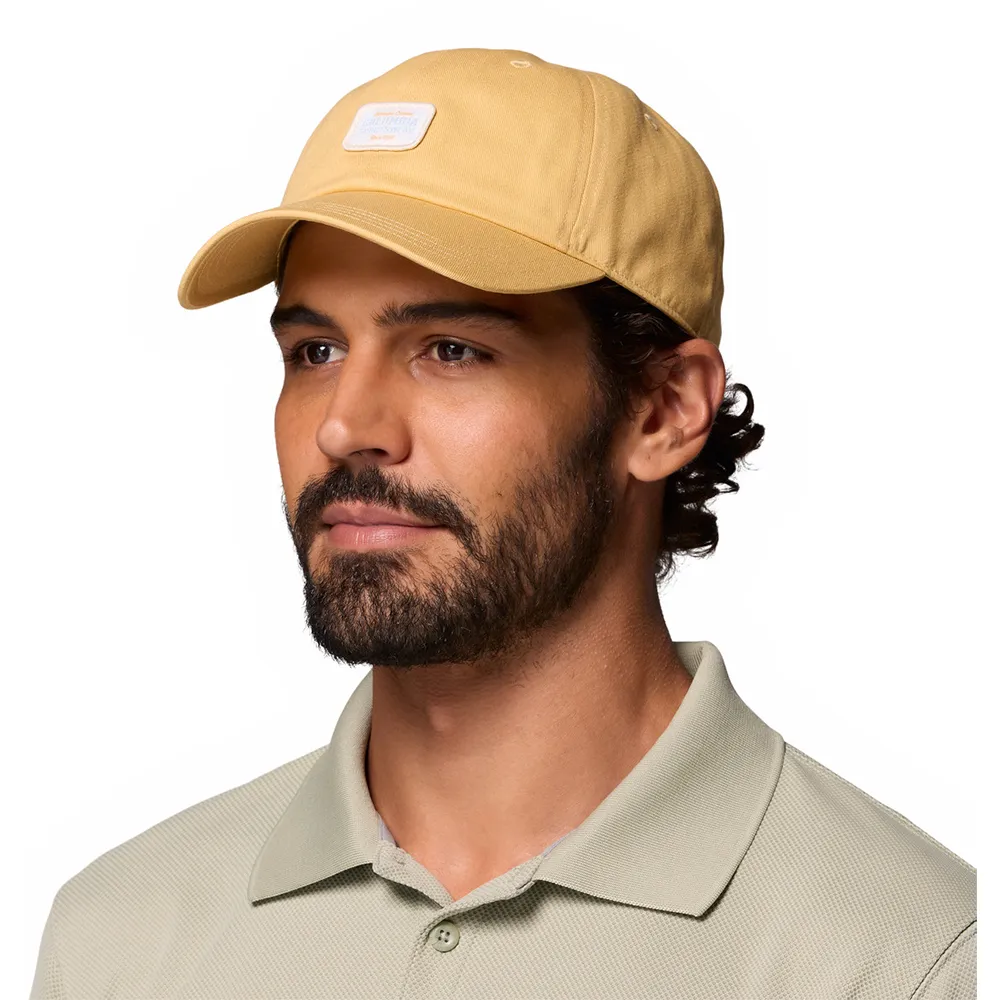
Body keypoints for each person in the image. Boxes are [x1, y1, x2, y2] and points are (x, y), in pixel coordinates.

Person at [29, 48, 975, 1000]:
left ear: (663, 410)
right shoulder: (121, 939)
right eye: (315, 350)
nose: (345, 427)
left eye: (450, 349)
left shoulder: (916, 959)